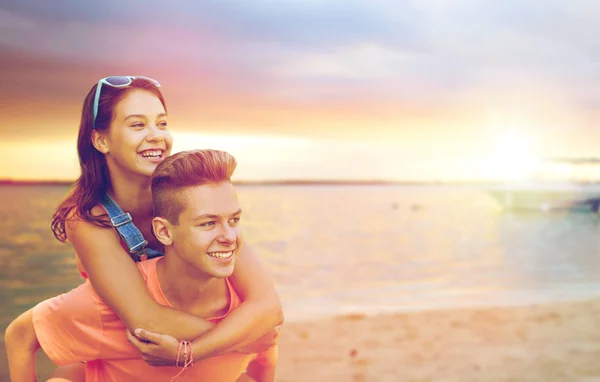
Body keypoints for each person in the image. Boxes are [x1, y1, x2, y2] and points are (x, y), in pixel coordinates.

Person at [5, 77, 283, 380]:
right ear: (101, 140)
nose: (156, 136)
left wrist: (228, 340)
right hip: (122, 338)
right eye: (138, 125)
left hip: (171, 341)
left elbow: (266, 303)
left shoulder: (187, 196)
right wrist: (243, 338)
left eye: (161, 124)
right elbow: (145, 318)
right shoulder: (86, 217)